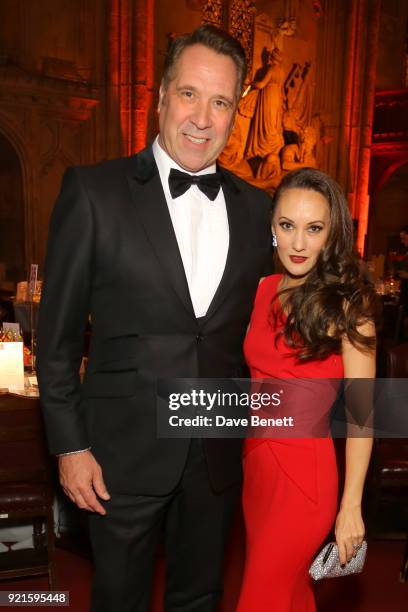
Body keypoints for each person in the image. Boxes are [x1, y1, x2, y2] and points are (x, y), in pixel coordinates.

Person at [36, 25, 272, 612]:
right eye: (189, 94)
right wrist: (69, 448)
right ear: (161, 96)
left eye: (219, 102)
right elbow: (57, 339)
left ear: (234, 114)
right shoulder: (94, 192)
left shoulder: (258, 210)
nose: (201, 117)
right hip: (118, 455)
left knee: (200, 597)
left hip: (218, 449)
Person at [236, 167, 377, 612]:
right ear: (272, 228)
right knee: (291, 595)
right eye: (287, 226)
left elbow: (362, 415)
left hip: (304, 478)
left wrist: (351, 505)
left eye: (313, 229)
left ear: (331, 234)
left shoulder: (348, 308)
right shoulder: (262, 290)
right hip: (255, 467)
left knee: (261, 598)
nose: (298, 243)